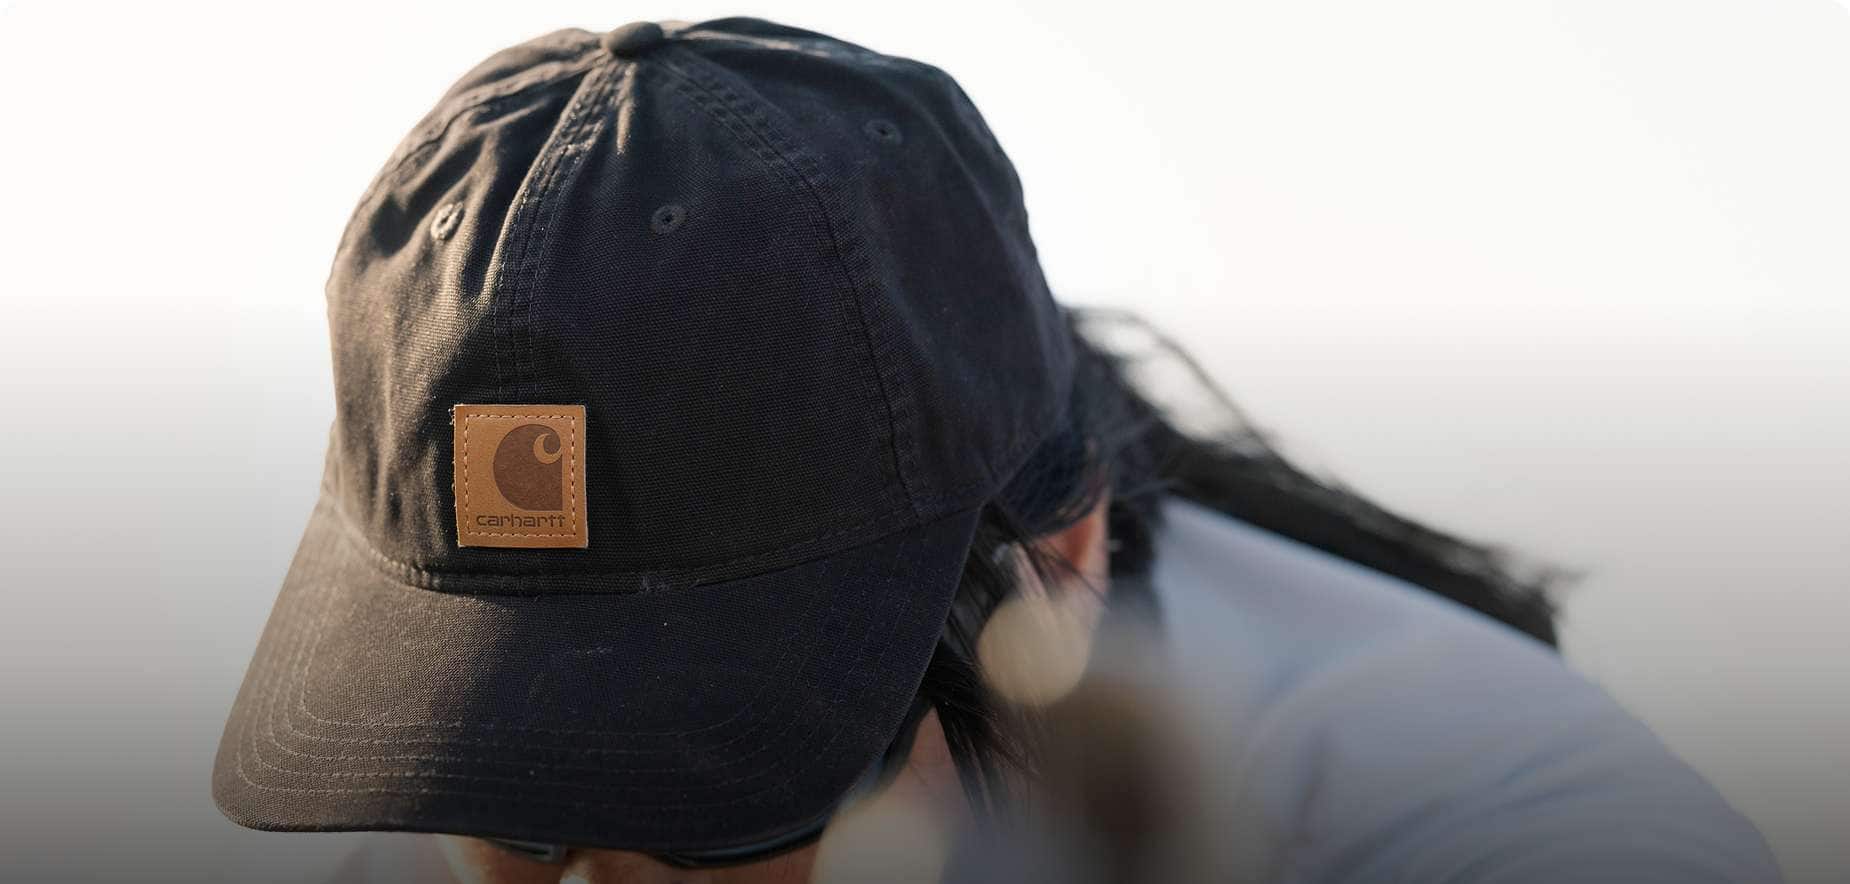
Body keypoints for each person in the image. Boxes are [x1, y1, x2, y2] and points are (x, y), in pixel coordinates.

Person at [212, 18, 1781, 883]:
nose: (592, 881)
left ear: (1059, 561)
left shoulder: (1509, 829)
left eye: (718, 795)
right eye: (504, 784)